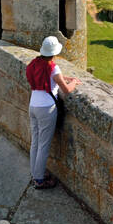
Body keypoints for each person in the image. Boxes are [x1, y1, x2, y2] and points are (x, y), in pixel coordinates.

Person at [26, 36, 80, 189]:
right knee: (43, 145)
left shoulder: (34, 63)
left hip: (33, 105)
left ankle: (35, 172)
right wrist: (74, 81)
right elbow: (67, 90)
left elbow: (52, 78)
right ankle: (39, 180)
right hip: (46, 108)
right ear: (55, 52)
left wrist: (64, 77)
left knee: (35, 142)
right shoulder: (53, 68)